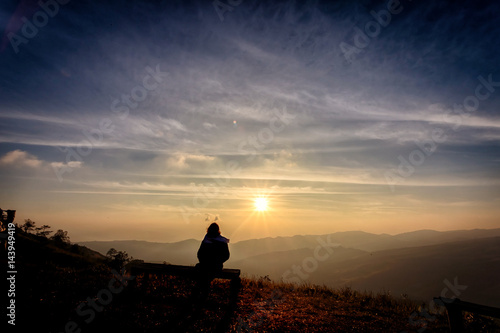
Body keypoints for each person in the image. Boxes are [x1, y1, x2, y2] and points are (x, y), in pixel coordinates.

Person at [195, 222, 230, 300]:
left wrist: (204, 261)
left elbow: (199, 253)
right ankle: (202, 295)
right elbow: (226, 256)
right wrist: (218, 261)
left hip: (208, 266)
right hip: (215, 266)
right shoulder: (222, 241)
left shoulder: (206, 240)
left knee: (203, 275)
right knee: (205, 276)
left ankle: (200, 295)